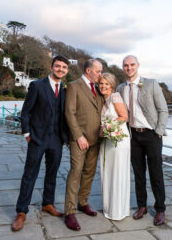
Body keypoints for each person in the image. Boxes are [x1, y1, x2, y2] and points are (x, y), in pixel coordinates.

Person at [12, 55, 70, 232]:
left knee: (52, 173)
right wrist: (27, 133)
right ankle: (21, 212)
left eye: (64, 67)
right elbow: (26, 112)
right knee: (29, 174)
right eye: (58, 66)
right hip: (37, 138)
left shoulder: (65, 90)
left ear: (66, 70)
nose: (60, 69)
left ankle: (48, 203)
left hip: (56, 139)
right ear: (52, 67)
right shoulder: (37, 85)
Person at [117, 55, 169, 226]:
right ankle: (142, 206)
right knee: (138, 174)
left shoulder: (151, 84)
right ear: (123, 67)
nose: (129, 68)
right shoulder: (120, 88)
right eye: (126, 65)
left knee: (156, 173)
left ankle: (160, 209)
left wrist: (159, 132)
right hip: (133, 136)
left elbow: (163, 110)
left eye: (132, 65)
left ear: (138, 66)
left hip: (151, 135)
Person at [64, 59, 104, 231]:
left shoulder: (99, 88)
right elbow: (69, 112)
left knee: (89, 172)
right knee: (76, 172)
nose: (100, 74)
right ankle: (69, 212)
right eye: (98, 71)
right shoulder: (74, 86)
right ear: (88, 70)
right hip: (79, 139)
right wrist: (78, 136)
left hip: (96, 139)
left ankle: (83, 203)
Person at [98, 73, 130, 220]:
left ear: (111, 85)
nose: (103, 86)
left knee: (117, 172)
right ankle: (109, 208)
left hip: (118, 139)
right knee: (107, 172)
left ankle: (118, 210)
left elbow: (124, 117)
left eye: (106, 84)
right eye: (101, 83)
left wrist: (107, 127)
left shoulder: (115, 96)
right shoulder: (101, 98)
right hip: (106, 140)